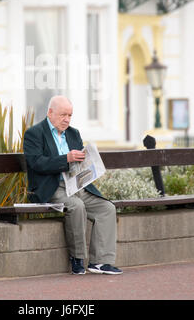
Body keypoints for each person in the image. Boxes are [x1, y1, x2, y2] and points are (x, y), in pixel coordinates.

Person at [23, 95, 122, 275]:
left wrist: (88, 163)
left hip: (76, 185)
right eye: (63, 115)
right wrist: (65, 159)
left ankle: (100, 262)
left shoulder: (73, 133)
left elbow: (78, 161)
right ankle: (77, 258)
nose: (67, 119)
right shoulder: (34, 133)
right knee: (77, 206)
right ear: (50, 113)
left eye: (70, 115)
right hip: (52, 187)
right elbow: (36, 163)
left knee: (107, 208)